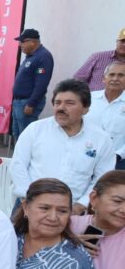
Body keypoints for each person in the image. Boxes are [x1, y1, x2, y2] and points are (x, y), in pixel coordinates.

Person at [11, 79, 114, 214]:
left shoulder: (101, 139)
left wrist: (81, 205)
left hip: (72, 210)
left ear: (85, 109)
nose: (61, 108)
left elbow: (102, 178)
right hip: (29, 204)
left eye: (69, 103)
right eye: (57, 103)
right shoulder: (35, 129)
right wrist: (29, 198)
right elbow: (18, 165)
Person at [11, 28, 55, 139]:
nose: (20, 45)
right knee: (18, 135)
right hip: (19, 102)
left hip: (27, 103)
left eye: (23, 42)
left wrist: (31, 103)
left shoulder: (43, 56)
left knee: (26, 137)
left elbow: (41, 83)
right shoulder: (31, 56)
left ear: (33, 42)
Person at [86, 61, 125, 169]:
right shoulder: (89, 99)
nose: (115, 79)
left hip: (118, 161)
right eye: (111, 74)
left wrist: (118, 155)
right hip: (86, 156)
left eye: (121, 75)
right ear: (104, 78)